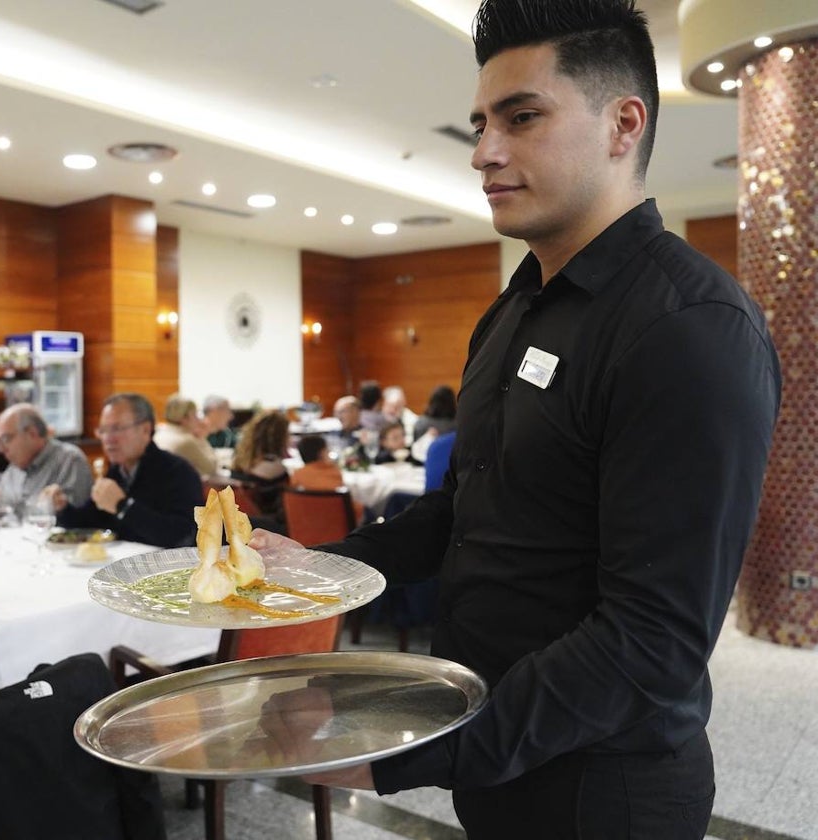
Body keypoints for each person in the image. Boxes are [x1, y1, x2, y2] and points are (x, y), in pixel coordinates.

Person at [252, 2, 781, 836]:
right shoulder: (511, 314)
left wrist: (400, 751)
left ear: (623, 124)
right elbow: (459, 514)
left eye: (521, 117)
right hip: (495, 755)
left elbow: (651, 644)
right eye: (480, 123)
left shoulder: (689, 329)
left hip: (604, 787)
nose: (483, 152)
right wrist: (313, 567)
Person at [47, 393, 202, 548]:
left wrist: (123, 506)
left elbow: (183, 536)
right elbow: (91, 522)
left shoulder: (178, 472)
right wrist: (63, 508)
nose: (108, 439)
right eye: (103, 430)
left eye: (116, 429)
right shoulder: (116, 472)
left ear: (146, 430)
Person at [228, 409, 290, 527]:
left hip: (244, 522)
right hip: (271, 526)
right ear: (281, 438)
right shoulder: (275, 468)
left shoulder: (240, 462)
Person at [154, 394, 219, 478]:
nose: (199, 419)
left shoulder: (159, 429)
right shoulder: (186, 441)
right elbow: (211, 468)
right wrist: (202, 438)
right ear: (184, 418)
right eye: (195, 415)